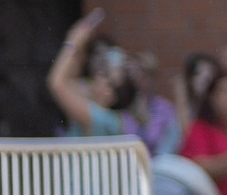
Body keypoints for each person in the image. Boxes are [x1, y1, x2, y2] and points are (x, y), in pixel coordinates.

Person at [45, 10, 180, 153]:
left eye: (102, 75)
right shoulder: (115, 118)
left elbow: (56, 84)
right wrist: (80, 48)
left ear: (108, 92)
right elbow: (68, 80)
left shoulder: (101, 119)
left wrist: (72, 42)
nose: (96, 77)